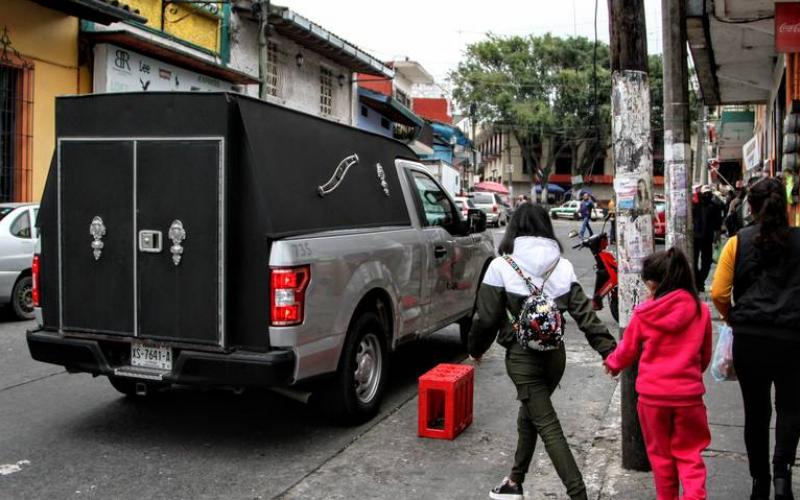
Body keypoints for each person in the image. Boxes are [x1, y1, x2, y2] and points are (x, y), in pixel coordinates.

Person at [468, 203, 617, 500]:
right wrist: (609, 351)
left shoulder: (501, 265)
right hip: (555, 357)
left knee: (547, 425)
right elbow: (586, 315)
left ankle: (578, 494)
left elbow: (485, 318)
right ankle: (514, 481)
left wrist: (476, 349)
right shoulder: (562, 266)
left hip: (522, 360)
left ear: (514, 229)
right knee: (532, 414)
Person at [711, 177, 800, 500]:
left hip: (750, 338)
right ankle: (782, 476)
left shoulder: (738, 242)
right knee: (791, 408)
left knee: (756, 412)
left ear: (750, 207)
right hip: (793, 338)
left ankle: (759, 483)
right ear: (786, 207)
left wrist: (733, 317)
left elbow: (719, 292)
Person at [604, 248, 712, 500]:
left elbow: (627, 350)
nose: (647, 289)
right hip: (689, 399)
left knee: (661, 459)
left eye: (649, 284)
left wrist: (612, 363)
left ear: (659, 282)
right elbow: (704, 357)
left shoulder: (645, 313)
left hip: (653, 399)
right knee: (690, 456)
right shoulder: (700, 311)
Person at [692, 185, 723, 292]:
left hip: (707, 238)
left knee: (707, 261)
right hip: (696, 237)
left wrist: (717, 236)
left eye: (709, 193)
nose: (707, 195)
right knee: (695, 260)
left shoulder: (714, 206)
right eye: (705, 193)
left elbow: (718, 223)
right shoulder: (695, 205)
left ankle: (700, 281)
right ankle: (698, 282)